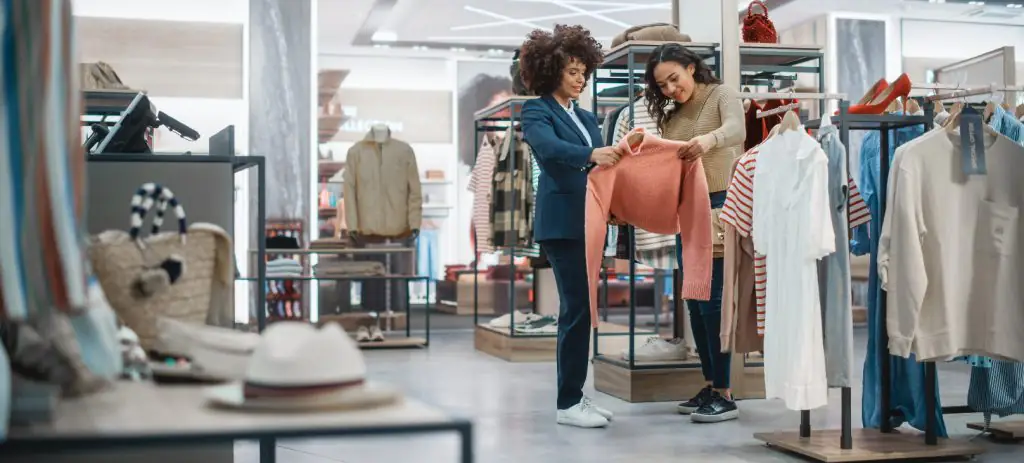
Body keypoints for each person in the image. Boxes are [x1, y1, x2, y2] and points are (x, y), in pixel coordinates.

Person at [518, 24, 623, 429]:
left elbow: (602, 170)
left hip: (591, 219)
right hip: (562, 223)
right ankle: (568, 403)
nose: (580, 79)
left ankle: (577, 395)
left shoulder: (584, 116)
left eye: (584, 72)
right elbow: (549, 149)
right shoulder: (536, 110)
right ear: (551, 70)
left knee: (584, 308)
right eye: (572, 71)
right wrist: (593, 154)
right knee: (576, 308)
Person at [644, 43, 745, 423]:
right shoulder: (672, 117)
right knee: (694, 300)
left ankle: (725, 392)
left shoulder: (722, 95)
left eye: (674, 78)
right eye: (662, 85)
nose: (671, 89)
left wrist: (708, 140)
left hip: (719, 206)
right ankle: (710, 383)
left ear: (690, 67)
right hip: (686, 211)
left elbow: (737, 130)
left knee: (714, 301)